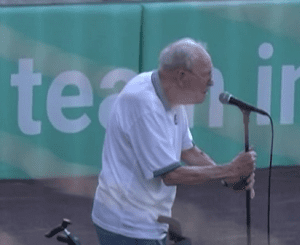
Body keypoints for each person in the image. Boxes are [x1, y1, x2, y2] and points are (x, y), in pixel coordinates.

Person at [91, 38, 256, 245]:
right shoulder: (144, 104)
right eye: (207, 76)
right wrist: (228, 170)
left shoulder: (171, 97)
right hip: (127, 227)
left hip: (146, 224)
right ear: (181, 76)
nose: (212, 83)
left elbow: (188, 151)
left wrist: (228, 179)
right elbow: (170, 175)